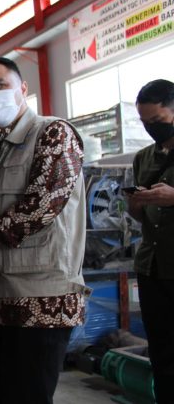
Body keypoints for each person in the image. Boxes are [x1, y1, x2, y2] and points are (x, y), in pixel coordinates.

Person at [0, 57, 88, 404]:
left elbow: (43, 205)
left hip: (41, 297)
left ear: (23, 88)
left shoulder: (53, 133)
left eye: (0, 86)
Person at [127, 79, 174, 404]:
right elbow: (139, 217)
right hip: (151, 267)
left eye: (158, 120)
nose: (151, 128)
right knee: (161, 349)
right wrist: (136, 204)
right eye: (145, 123)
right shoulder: (143, 158)